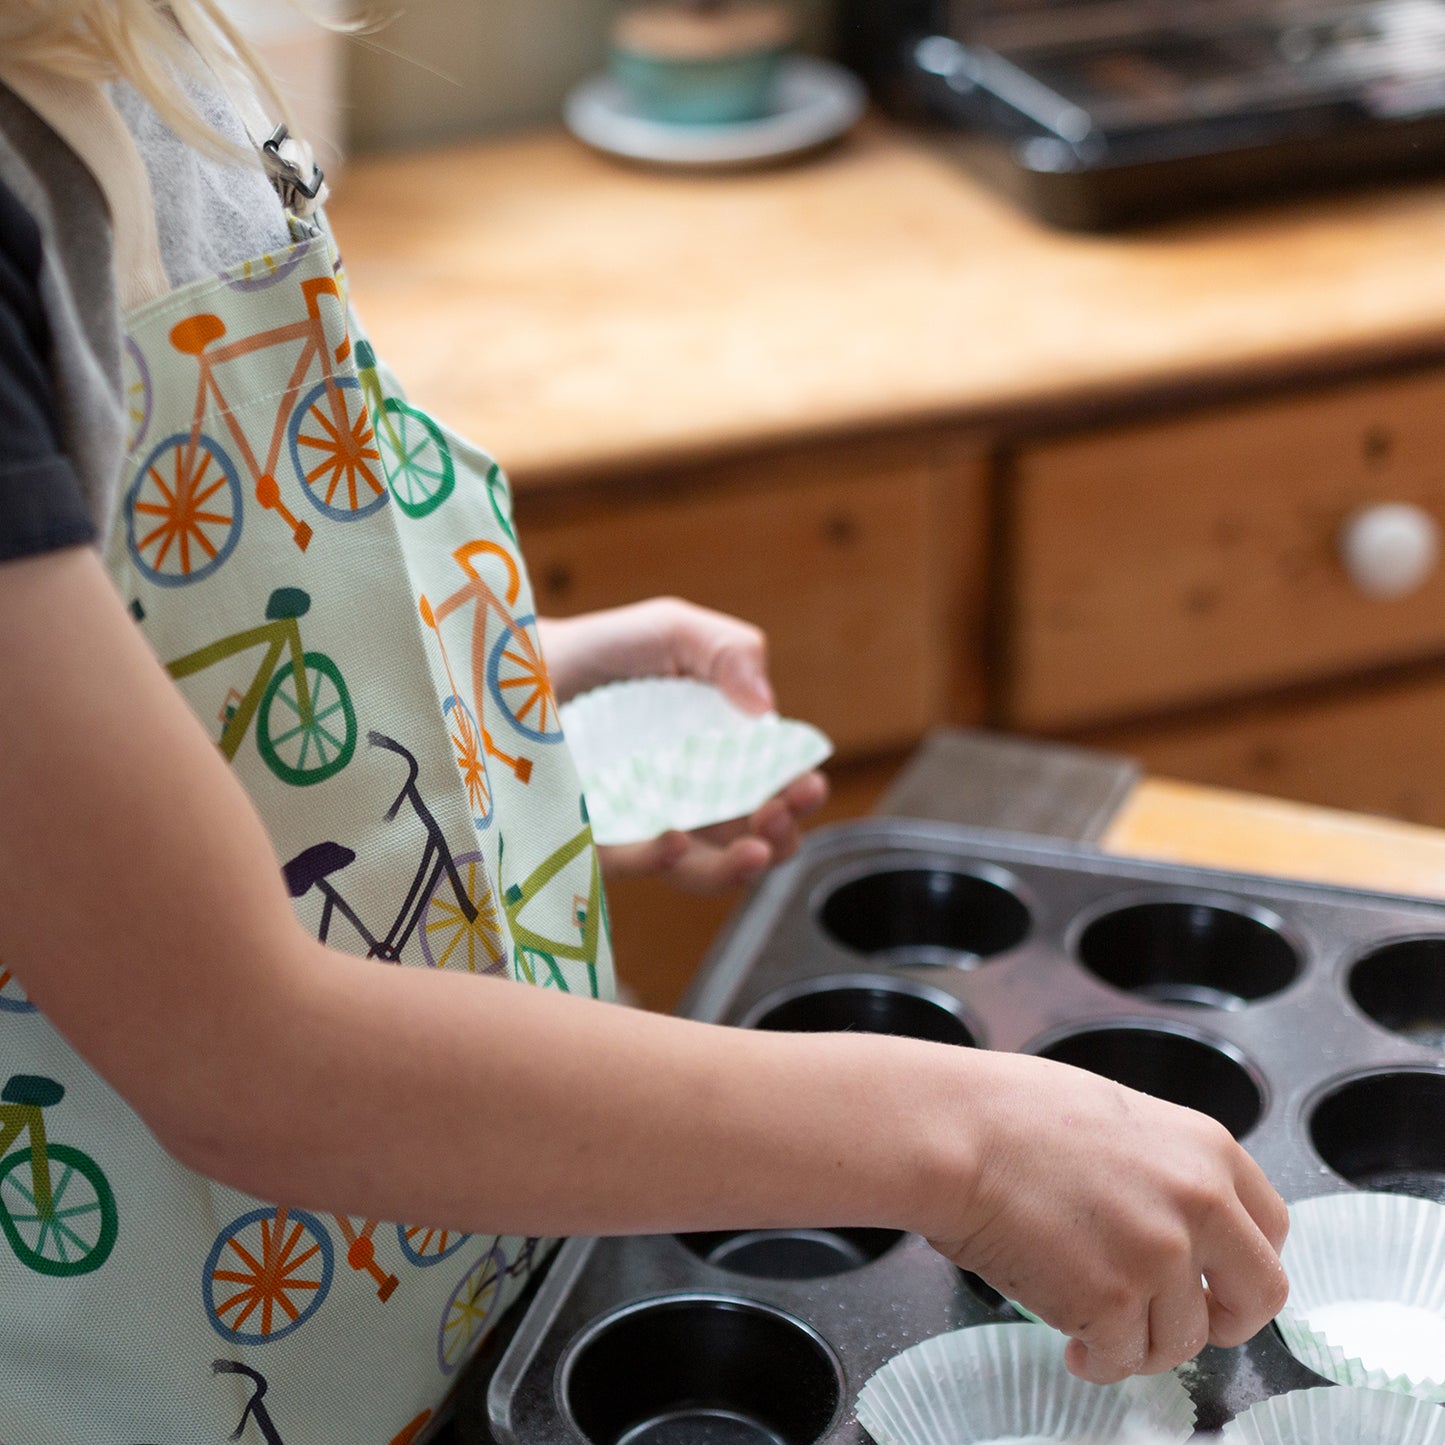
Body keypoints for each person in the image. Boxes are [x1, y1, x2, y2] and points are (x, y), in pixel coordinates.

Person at [0, 3, 1289, 1441]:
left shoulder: (135, 38)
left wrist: (491, 702)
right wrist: (965, 1141)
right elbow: (236, 1049)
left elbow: (115, 699)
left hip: (441, 1301)